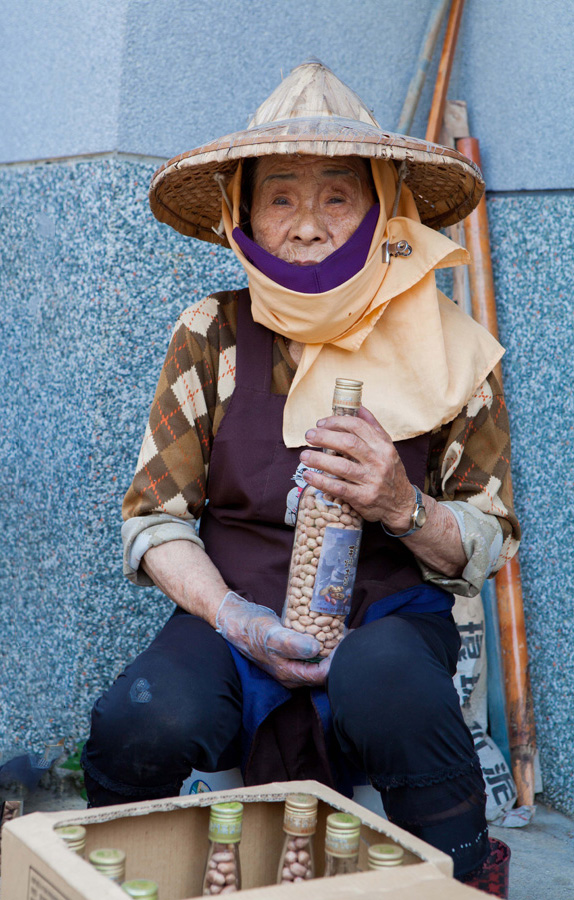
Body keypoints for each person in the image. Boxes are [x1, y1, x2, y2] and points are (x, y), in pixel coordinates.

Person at [82, 60, 519, 893]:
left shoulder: (451, 349)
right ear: (242, 213)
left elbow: (486, 535)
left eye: (337, 196)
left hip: (383, 619)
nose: (309, 225)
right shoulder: (213, 330)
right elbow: (153, 519)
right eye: (280, 196)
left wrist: (401, 504)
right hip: (231, 607)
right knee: (142, 718)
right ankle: (104, 871)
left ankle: (460, 878)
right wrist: (233, 617)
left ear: (382, 209)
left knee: (388, 680)